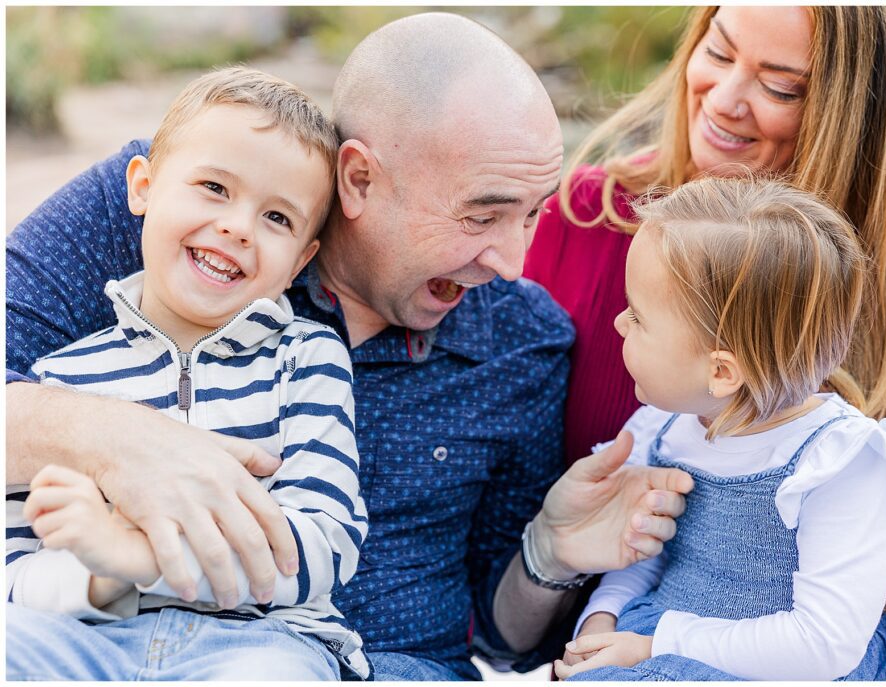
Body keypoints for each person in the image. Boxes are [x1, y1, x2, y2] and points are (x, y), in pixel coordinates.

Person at [5, 13, 692, 680]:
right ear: (360, 179)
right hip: (104, 638)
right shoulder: (190, 198)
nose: (513, 261)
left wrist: (550, 551)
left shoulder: (523, 339)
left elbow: (508, 639)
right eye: (482, 214)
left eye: (533, 211)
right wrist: (120, 439)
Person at [524, 5, 886, 680]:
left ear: (858, 118)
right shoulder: (588, 218)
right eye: (718, 53)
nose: (725, 102)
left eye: (781, 86)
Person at [6, 67, 370, 681]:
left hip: (261, 644)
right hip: (87, 636)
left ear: (302, 260)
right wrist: (101, 573)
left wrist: (141, 554)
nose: (237, 226)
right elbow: (14, 573)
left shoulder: (306, 360)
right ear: (143, 187)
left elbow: (325, 543)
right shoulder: (61, 380)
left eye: (278, 218)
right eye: (213, 187)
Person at [552, 177, 886, 681]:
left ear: (721, 372)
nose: (617, 323)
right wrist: (602, 619)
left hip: (780, 663)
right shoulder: (662, 428)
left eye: (638, 316)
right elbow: (640, 549)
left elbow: (823, 644)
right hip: (661, 637)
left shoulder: (839, 461)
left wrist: (653, 645)